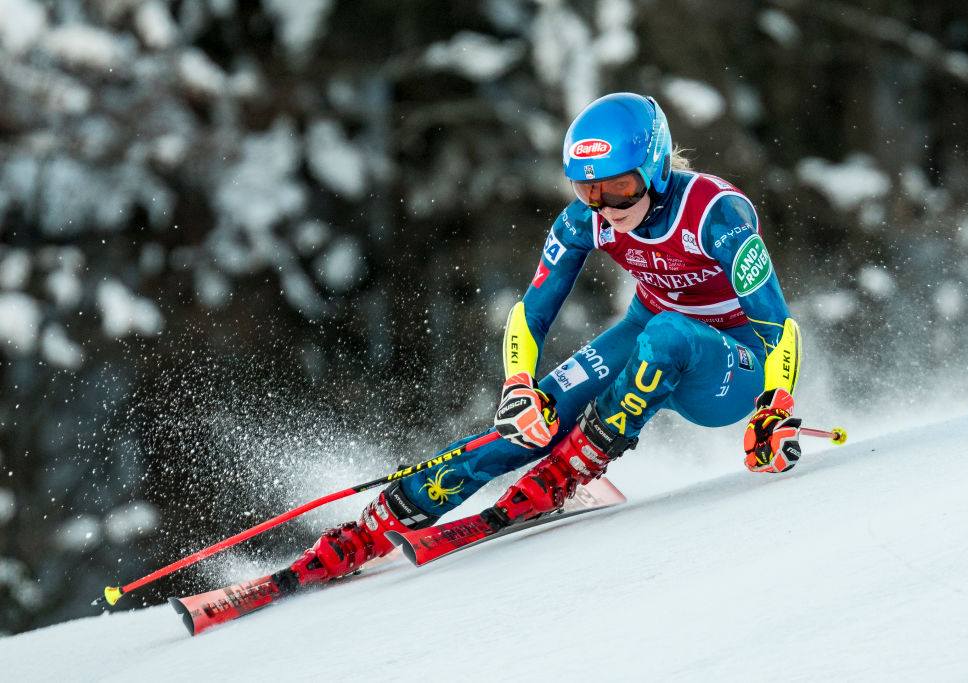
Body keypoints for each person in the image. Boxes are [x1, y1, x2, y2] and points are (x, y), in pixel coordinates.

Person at [273, 92, 803, 592]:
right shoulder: (586, 221)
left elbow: (779, 327)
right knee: (532, 420)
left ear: (657, 168)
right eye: (587, 189)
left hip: (734, 363)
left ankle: (570, 469)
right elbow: (531, 312)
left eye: (617, 187)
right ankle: (378, 523)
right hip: (646, 333)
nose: (605, 206)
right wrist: (520, 388)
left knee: (667, 334)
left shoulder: (715, 215)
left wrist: (774, 408)